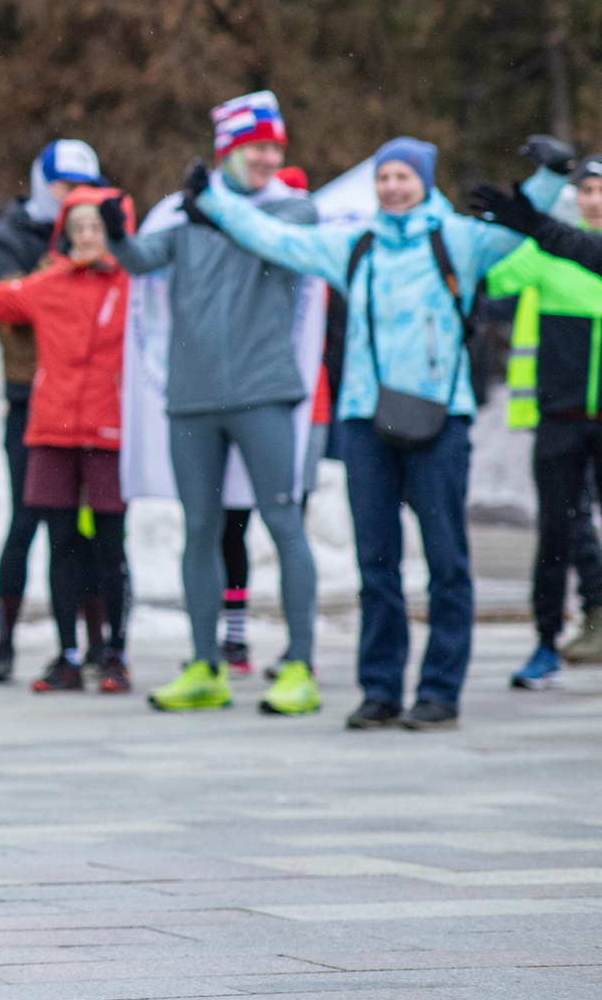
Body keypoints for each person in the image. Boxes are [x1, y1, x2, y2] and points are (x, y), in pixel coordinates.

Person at [205, 137, 529, 730]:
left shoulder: (456, 239)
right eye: (385, 178)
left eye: (404, 177)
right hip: (365, 418)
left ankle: (439, 691)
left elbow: (525, 229)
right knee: (375, 562)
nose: (393, 188)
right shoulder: (357, 246)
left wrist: (550, 180)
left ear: (425, 182)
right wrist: (213, 200)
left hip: (441, 418)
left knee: (446, 561)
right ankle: (379, 689)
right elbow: (280, 240)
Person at [105, 92, 324, 717]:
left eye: (274, 147)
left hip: (263, 393)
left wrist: (217, 210)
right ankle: (205, 665)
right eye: (255, 147)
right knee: (199, 528)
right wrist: (119, 233)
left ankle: (300, 665)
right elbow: (143, 260)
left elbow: (283, 240)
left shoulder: (293, 207)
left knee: (283, 523)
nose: (267, 157)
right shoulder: (185, 214)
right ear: (228, 150)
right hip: (193, 398)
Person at [0, 189, 136, 693]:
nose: (86, 237)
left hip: (109, 433)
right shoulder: (49, 283)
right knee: (61, 545)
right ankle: (68, 654)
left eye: (96, 227)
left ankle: (115, 652)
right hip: (52, 431)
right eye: (77, 229)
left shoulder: (134, 286)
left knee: (110, 544)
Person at [475, 147, 602, 686]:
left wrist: (534, 222)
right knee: (555, 531)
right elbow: (492, 279)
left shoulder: (571, 246)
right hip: (559, 416)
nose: (592, 199)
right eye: (585, 189)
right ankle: (547, 641)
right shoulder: (547, 253)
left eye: (600, 190)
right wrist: (512, 229)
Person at [0, 139, 101, 683]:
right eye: (64, 186)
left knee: (87, 527)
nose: (74, 197)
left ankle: (87, 644)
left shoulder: (99, 236)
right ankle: (4, 641)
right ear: (40, 182)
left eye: (83, 186)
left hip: (89, 400)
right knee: (26, 522)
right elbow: (16, 309)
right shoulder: (5, 239)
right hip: (30, 399)